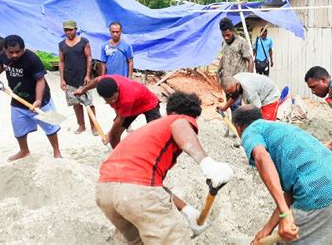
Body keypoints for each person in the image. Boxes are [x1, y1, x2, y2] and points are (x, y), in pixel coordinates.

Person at [95, 91, 234, 244]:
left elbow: (151, 187)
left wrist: (187, 211)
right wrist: (207, 164)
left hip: (105, 192)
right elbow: (180, 123)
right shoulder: (179, 119)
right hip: (136, 192)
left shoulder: (145, 132)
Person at [233, 105, 332, 245]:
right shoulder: (277, 129)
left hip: (318, 192)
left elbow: (261, 157)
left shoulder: (249, 132)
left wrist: (286, 214)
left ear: (238, 127)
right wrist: (267, 229)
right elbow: (290, 193)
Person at [0, 35, 62, 161]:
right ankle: (24, 150)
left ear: (23, 49)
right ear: (5, 50)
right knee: (18, 127)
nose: (15, 55)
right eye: (11, 52)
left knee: (50, 126)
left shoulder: (32, 59)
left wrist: (38, 100)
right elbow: (0, 68)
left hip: (40, 99)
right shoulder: (2, 56)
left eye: (18, 52)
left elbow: (40, 80)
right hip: (17, 98)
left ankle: (56, 151)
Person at [74, 75, 160, 148]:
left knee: (154, 134)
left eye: (114, 98)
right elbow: (96, 80)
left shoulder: (127, 99)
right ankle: (118, 155)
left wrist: (110, 134)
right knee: (115, 136)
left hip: (149, 104)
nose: (113, 102)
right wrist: (83, 90)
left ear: (117, 89)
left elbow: (120, 119)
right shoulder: (105, 81)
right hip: (131, 106)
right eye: (109, 100)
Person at [58, 20, 96, 135]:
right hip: (69, 78)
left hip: (83, 78)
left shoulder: (84, 42)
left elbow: (89, 58)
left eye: (70, 29)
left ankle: (94, 126)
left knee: (89, 103)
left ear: (76, 29)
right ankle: (81, 125)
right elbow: (61, 61)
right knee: (75, 103)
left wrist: (88, 75)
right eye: (66, 30)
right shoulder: (61, 44)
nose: (68, 32)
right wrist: (62, 79)